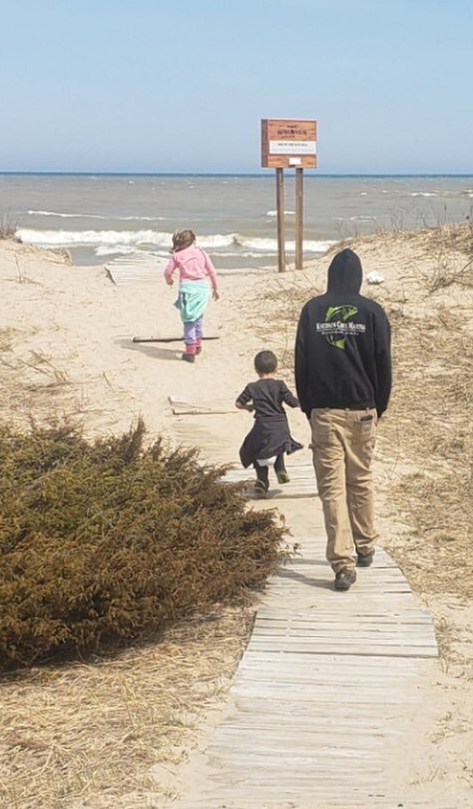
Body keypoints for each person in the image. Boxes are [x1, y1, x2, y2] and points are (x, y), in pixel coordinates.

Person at [294, 248, 392, 591]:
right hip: (364, 409)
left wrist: (309, 407)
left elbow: (301, 364)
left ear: (330, 276)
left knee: (332, 488)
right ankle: (365, 545)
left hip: (324, 411)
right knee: (361, 478)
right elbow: (383, 364)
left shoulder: (312, 310)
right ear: (358, 277)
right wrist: (379, 406)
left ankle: (342, 562)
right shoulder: (373, 312)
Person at [236, 350, 303, 496]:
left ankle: (262, 480)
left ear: (256, 370)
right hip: (280, 426)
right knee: (277, 444)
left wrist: (250, 407)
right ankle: (280, 470)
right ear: (276, 368)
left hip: (262, 425)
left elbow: (238, 404)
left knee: (254, 447)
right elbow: (292, 402)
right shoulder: (280, 385)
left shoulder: (252, 387)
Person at [164, 229, 220, 362]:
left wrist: (169, 280)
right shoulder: (201, 252)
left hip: (187, 289)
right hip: (202, 289)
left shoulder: (176, 256)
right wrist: (216, 288)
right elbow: (212, 271)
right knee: (198, 316)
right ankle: (198, 344)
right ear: (194, 241)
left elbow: (167, 272)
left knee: (188, 319)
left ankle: (190, 351)